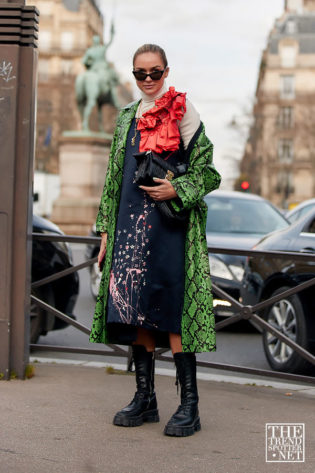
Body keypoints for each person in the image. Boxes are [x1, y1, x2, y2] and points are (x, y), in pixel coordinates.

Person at [89, 44, 221, 437]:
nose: (148, 80)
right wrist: (105, 235)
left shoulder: (183, 109)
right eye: (140, 74)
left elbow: (209, 172)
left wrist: (176, 189)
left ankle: (190, 407)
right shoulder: (127, 116)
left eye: (155, 72)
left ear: (166, 71)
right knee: (135, 309)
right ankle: (145, 399)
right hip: (129, 231)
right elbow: (113, 180)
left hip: (170, 231)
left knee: (174, 309)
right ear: (133, 75)